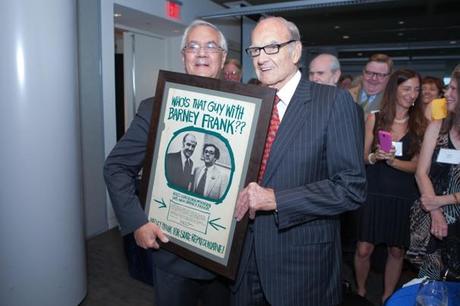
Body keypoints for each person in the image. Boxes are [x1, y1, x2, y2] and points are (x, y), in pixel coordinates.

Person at [232, 16, 366, 306]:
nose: (261, 58)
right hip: (244, 256)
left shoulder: (332, 102)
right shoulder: (248, 103)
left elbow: (350, 188)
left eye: (271, 47)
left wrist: (276, 199)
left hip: (301, 264)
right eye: (255, 50)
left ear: (295, 51)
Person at [103, 20, 229, 306]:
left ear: (223, 56)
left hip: (227, 263)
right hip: (173, 255)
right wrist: (137, 222)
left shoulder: (248, 111)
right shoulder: (155, 107)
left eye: (211, 46)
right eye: (192, 46)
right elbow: (116, 167)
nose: (201, 53)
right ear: (183, 55)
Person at [354, 69, 428, 303]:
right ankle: (361, 291)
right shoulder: (374, 118)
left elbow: (418, 166)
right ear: (394, 89)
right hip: (374, 190)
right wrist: (376, 156)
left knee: (397, 250)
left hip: (403, 194)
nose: (412, 94)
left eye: (416, 89)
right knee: (364, 248)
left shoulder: (421, 124)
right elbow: (362, 157)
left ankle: (387, 295)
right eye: (407, 88)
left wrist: (393, 161)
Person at [414, 70, 460, 280]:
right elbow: (421, 172)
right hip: (435, 221)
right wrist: (436, 213)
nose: (447, 93)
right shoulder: (438, 125)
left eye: (453, 89)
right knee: (433, 281)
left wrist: (438, 201)